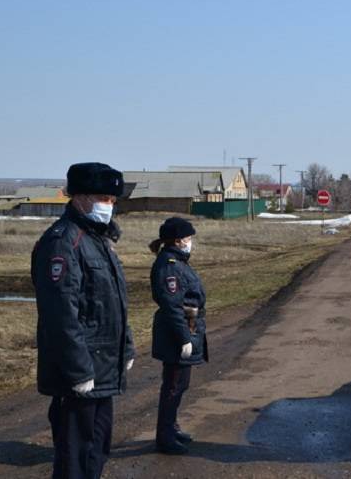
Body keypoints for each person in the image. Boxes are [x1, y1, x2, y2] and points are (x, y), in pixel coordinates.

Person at [32, 162, 135, 478]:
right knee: (74, 459)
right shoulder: (63, 242)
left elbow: (112, 302)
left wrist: (126, 348)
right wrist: (77, 371)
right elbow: (61, 313)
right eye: (103, 197)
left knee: (97, 449)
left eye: (113, 199)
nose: (109, 205)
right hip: (80, 373)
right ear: (78, 196)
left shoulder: (97, 239)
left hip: (103, 367)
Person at [149, 217, 208, 455]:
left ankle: (171, 427)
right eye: (189, 238)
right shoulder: (169, 265)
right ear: (177, 240)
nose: (191, 242)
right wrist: (184, 338)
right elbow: (172, 305)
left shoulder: (177, 261)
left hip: (187, 328)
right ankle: (164, 436)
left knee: (180, 384)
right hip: (177, 332)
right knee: (173, 386)